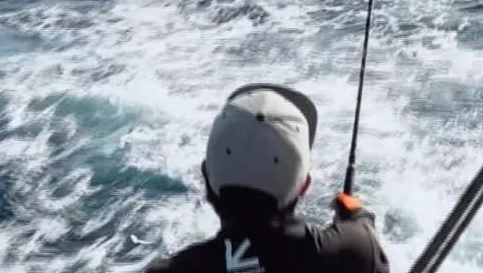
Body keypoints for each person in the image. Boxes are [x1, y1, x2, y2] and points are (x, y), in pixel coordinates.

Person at [146, 83, 390, 273]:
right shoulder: (358, 252)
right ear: (304, 186)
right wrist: (356, 213)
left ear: (206, 177)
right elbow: (364, 230)